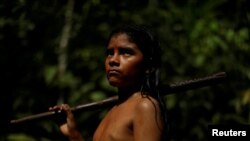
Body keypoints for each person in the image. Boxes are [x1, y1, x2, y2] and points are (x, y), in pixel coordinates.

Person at [50, 24, 168, 141]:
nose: (113, 60)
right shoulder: (113, 110)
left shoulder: (145, 106)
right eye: (110, 53)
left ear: (149, 66)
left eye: (126, 52)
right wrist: (73, 134)